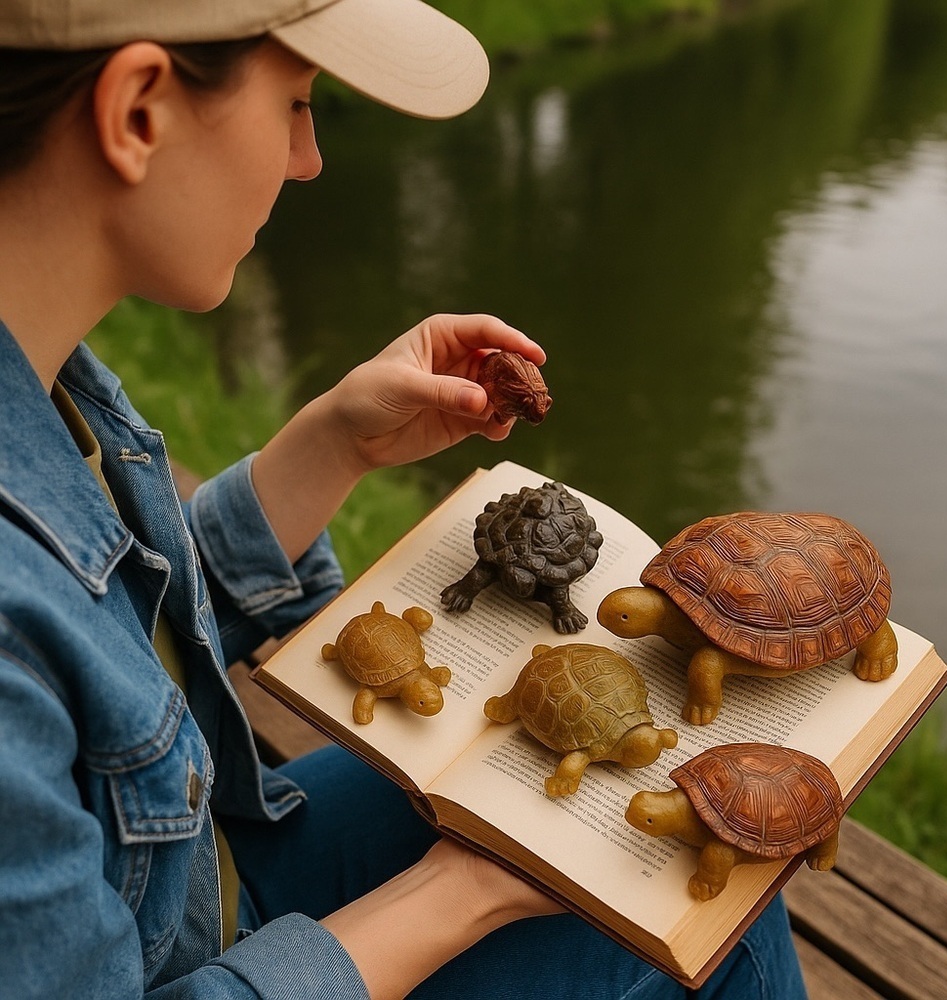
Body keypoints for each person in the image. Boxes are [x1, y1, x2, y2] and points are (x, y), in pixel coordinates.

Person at [0, 1, 809, 997]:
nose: (308, 158)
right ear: (137, 111)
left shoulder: (50, 381)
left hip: (185, 874)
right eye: (295, 104)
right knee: (713, 912)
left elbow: (107, 635)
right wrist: (462, 893)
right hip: (197, 951)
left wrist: (334, 442)